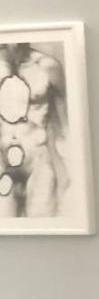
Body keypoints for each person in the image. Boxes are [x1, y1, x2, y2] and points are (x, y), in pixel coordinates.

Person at [0, 42, 68, 217]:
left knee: (43, 222)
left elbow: (65, 119)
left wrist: (65, 166)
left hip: (38, 154)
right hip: (1, 156)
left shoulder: (47, 66)